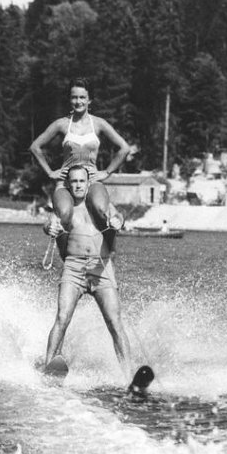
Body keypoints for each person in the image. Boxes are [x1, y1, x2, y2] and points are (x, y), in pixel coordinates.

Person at [42, 165, 133, 380]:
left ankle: (128, 374)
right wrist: (49, 228)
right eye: (73, 182)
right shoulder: (64, 209)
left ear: (88, 183)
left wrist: (118, 221)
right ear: (68, 185)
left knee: (114, 321)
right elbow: (50, 223)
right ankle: (48, 366)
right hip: (73, 269)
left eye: (81, 181)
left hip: (101, 268)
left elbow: (118, 216)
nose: (77, 185)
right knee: (62, 317)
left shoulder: (101, 205)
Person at [29, 77, 131, 233]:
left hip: (91, 179)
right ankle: (53, 230)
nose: (78, 101)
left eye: (82, 97)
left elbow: (124, 148)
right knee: (64, 214)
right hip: (66, 181)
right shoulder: (62, 124)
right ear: (69, 99)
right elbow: (35, 147)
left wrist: (106, 172)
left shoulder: (99, 124)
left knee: (100, 209)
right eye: (74, 97)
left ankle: (111, 233)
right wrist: (50, 172)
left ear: (90, 100)